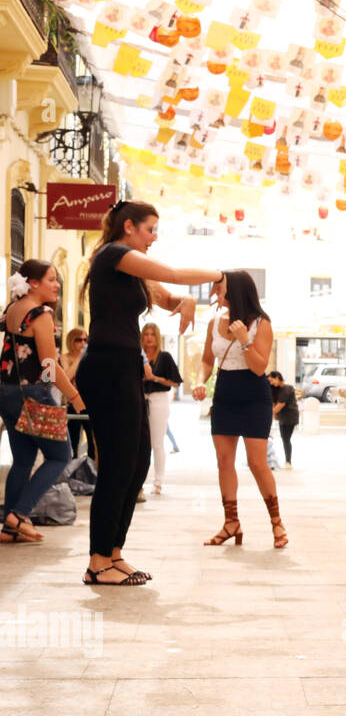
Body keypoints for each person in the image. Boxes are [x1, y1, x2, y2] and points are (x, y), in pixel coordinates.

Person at [77, 200, 220, 584]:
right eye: (150, 229)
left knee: (138, 461)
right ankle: (97, 561)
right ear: (129, 226)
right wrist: (220, 274)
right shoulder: (114, 254)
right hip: (106, 365)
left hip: (124, 367)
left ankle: (113, 553)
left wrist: (189, 300)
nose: (154, 238)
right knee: (117, 464)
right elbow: (174, 274)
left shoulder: (132, 267)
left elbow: (170, 296)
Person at [192, 270, 287, 548]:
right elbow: (207, 361)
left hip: (254, 396)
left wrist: (245, 339)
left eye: (217, 288)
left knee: (258, 463)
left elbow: (259, 367)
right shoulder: (213, 322)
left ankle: (277, 523)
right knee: (224, 461)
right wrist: (199, 381)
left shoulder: (261, 323)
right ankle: (231, 522)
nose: (213, 293)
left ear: (233, 289)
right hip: (224, 395)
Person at [1, 261, 81, 543]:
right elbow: (49, 364)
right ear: (33, 283)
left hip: (6, 391)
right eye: (51, 280)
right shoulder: (41, 314)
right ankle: (19, 514)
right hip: (33, 393)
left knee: (22, 460)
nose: (57, 285)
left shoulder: (12, 309)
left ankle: (9, 527)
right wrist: (73, 396)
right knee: (61, 455)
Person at [140, 322, 182, 495]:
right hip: (140, 398)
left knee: (157, 442)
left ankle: (158, 481)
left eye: (152, 334)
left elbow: (175, 382)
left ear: (156, 337)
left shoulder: (164, 357)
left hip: (158, 398)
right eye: (146, 334)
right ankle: (139, 482)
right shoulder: (138, 356)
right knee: (141, 443)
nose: (149, 337)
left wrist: (155, 378)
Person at [61, 327, 93, 460]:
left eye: (86, 339)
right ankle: (71, 474)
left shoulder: (90, 359)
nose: (83, 343)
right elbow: (67, 377)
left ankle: (91, 472)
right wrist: (80, 357)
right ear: (71, 341)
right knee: (72, 441)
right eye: (79, 340)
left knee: (92, 440)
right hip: (72, 403)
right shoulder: (64, 358)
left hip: (90, 403)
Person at [267, 371, 299, 469]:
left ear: (277, 377)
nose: (271, 383)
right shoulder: (276, 390)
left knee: (286, 439)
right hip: (282, 417)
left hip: (290, 417)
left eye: (272, 380)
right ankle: (287, 461)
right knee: (284, 438)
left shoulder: (287, 388)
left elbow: (280, 405)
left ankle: (288, 461)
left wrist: (268, 414)